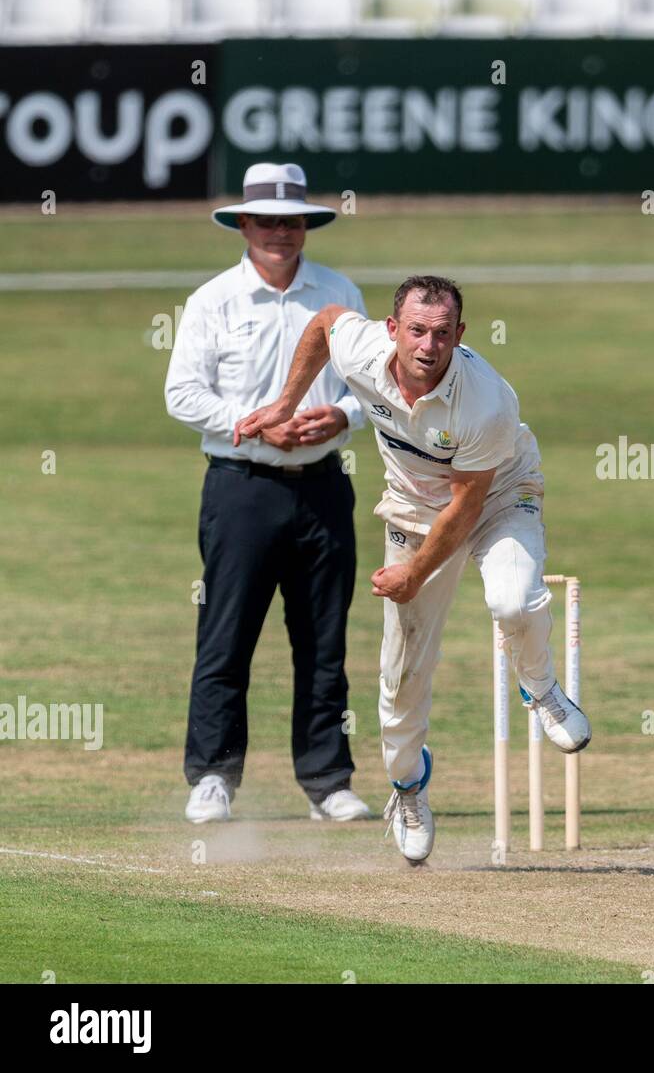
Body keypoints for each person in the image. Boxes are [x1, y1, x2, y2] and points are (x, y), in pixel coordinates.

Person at [234, 275, 591, 864]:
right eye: (417, 331)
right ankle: (407, 790)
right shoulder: (365, 348)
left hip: (498, 494)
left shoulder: (487, 402)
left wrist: (412, 575)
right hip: (414, 508)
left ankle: (542, 687)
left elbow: (467, 505)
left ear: (460, 335)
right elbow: (325, 322)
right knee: (402, 674)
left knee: (512, 599)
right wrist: (283, 403)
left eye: (443, 334)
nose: (428, 346)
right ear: (393, 329)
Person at [164, 163, 371, 826]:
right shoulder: (213, 300)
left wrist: (341, 417)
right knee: (226, 636)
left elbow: (373, 385)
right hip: (241, 486)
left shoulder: (338, 294)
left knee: (323, 639)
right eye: (267, 220)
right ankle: (213, 777)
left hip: (323, 486)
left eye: (292, 221)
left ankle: (327, 781)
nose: (280, 232)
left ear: (306, 225)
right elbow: (182, 393)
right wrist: (249, 423)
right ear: (243, 225)